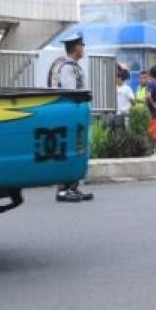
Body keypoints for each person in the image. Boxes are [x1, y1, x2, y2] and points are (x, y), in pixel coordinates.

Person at [49, 31, 93, 202]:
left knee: (75, 151)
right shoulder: (67, 67)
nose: (83, 48)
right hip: (68, 116)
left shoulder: (67, 64)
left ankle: (72, 187)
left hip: (67, 115)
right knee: (70, 150)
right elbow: (71, 93)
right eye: (81, 45)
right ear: (76, 47)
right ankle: (63, 189)